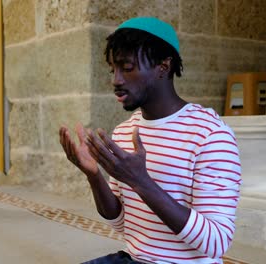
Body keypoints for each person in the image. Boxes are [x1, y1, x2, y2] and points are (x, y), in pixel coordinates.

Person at [59, 17, 241, 263]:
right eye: (113, 69)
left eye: (127, 67)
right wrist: (94, 176)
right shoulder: (125, 131)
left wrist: (141, 181)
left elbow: (216, 242)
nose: (116, 80)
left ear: (163, 67)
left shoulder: (210, 135)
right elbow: (122, 223)